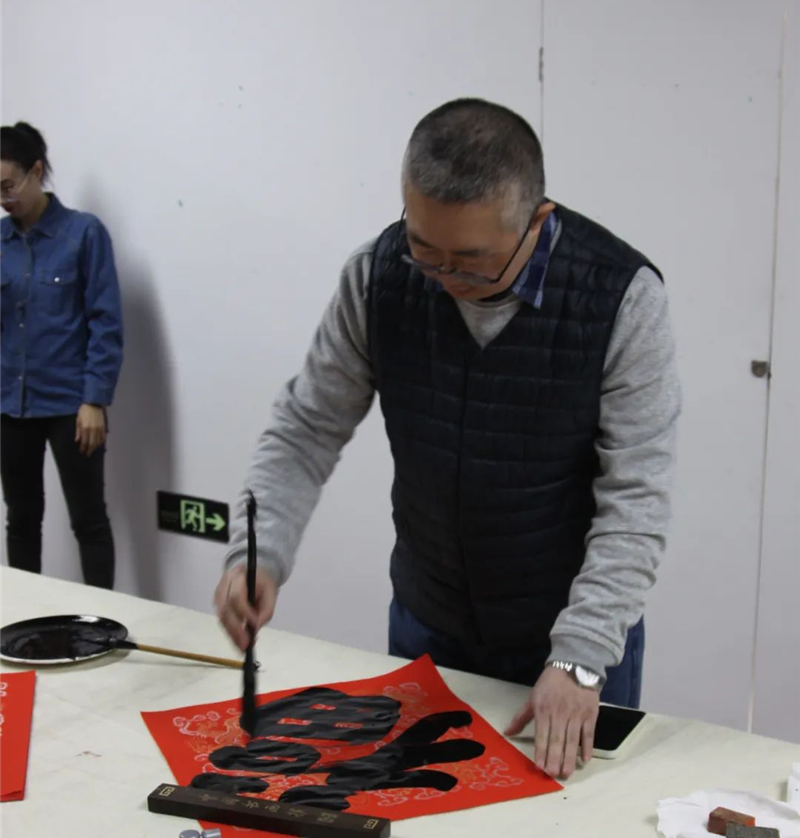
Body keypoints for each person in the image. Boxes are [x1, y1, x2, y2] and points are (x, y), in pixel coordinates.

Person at [215, 99, 680, 779]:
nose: (445, 280)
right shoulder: (379, 275)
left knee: (566, 826)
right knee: (418, 814)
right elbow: (305, 428)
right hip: (427, 621)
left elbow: (637, 497)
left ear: (536, 221)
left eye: (471, 262)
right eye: (425, 251)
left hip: (570, 640)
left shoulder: (620, 299)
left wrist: (580, 659)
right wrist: (259, 550)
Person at [1, 122, 123, 588]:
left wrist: (94, 400)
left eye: (8, 185)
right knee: (20, 520)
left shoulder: (83, 234)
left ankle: (102, 620)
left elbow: (105, 322)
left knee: (89, 521)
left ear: (36, 172)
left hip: (72, 406)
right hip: (10, 405)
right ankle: (23, 622)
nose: (3, 198)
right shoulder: (0, 243)